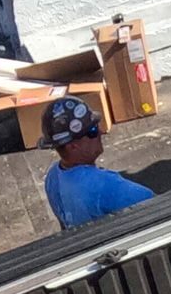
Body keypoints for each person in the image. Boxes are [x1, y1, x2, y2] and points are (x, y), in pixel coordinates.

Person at [39, 95, 154, 229]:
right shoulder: (103, 185)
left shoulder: (53, 177)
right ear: (72, 146)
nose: (100, 132)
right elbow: (158, 205)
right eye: (92, 131)